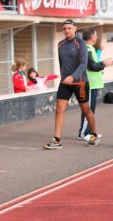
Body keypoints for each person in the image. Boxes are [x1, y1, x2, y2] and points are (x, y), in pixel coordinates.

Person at [44, 19, 98, 150]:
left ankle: (94, 134)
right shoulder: (60, 44)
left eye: (69, 28)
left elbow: (83, 65)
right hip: (65, 83)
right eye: (64, 28)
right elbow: (62, 64)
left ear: (75, 29)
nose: (66, 30)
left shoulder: (81, 44)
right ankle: (56, 140)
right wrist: (65, 77)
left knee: (86, 110)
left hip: (80, 82)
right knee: (59, 109)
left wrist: (72, 76)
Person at [78, 28, 113, 141]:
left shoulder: (89, 48)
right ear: (92, 36)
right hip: (89, 83)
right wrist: (104, 63)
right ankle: (84, 133)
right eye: (95, 35)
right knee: (88, 109)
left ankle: (89, 131)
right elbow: (92, 66)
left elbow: (94, 64)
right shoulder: (87, 49)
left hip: (93, 83)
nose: (96, 37)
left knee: (90, 109)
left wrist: (103, 63)